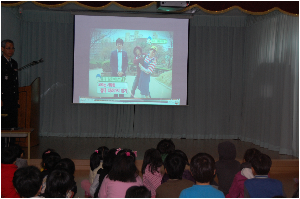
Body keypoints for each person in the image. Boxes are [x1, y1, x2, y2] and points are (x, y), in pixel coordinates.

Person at [1, 39, 19, 147]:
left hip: (12, 99)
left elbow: (15, 82)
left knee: (13, 124)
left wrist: (17, 96)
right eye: (8, 48)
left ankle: (12, 148)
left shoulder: (14, 63)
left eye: (12, 48)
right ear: (2, 49)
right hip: (3, 99)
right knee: (4, 125)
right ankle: (3, 149)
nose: (11, 50)